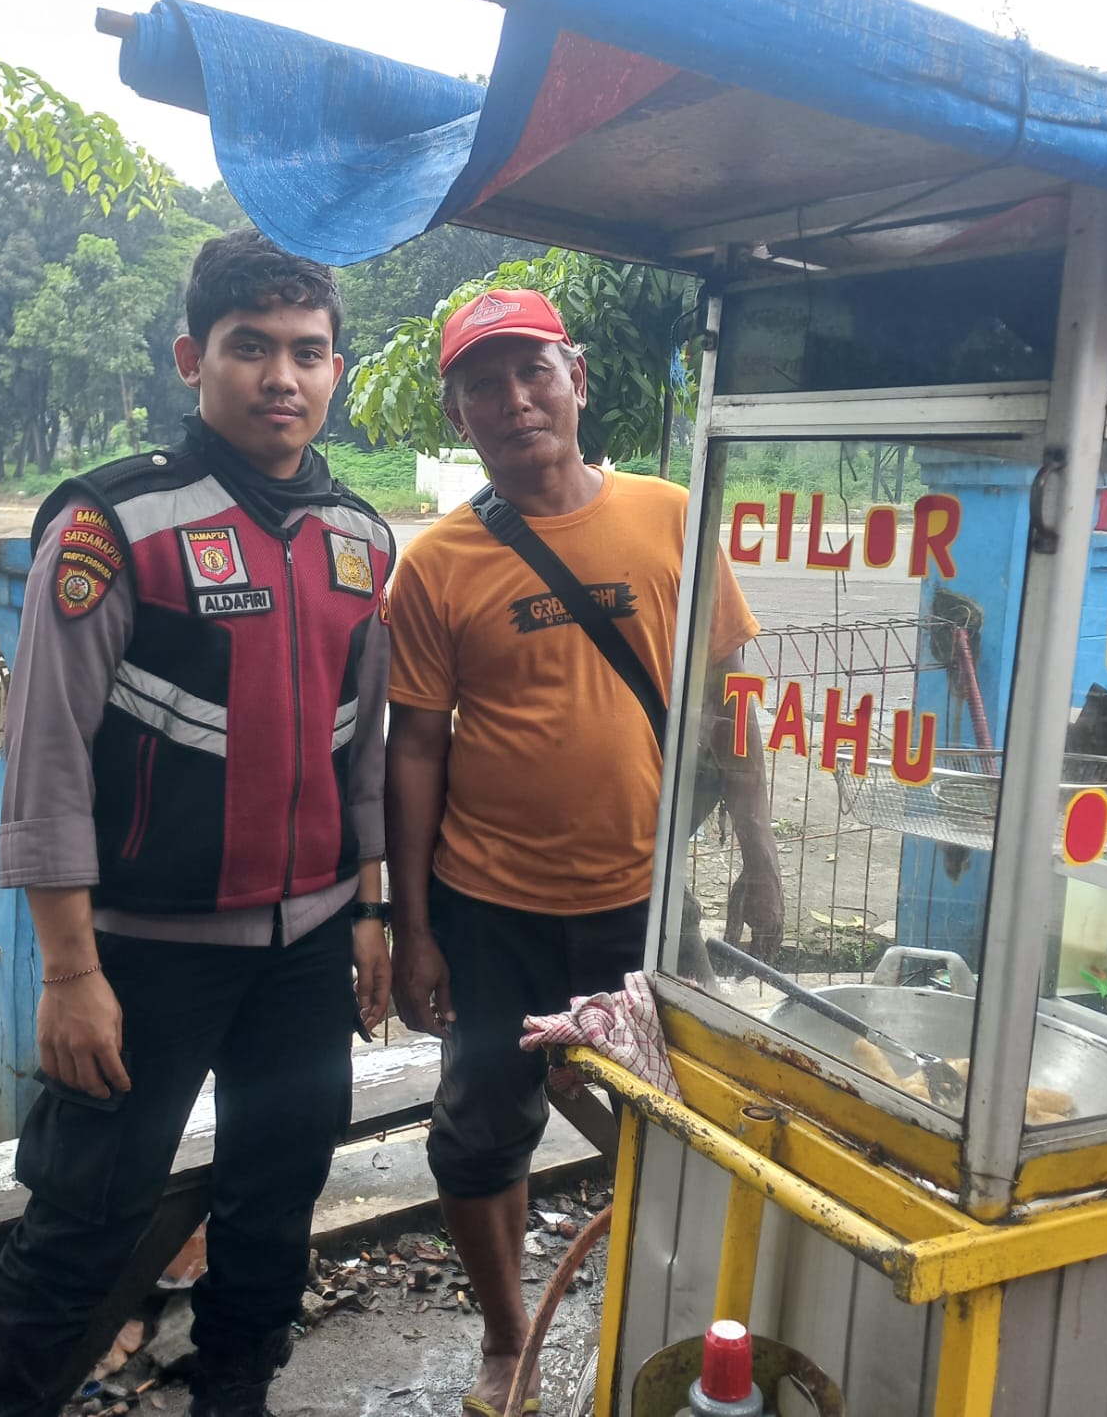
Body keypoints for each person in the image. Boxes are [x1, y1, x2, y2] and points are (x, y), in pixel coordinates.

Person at [0, 230, 395, 1417]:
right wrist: (69, 973)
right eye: (251, 347)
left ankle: (235, 1394)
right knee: (83, 1219)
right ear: (192, 358)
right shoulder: (115, 523)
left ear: (337, 368)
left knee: (278, 1197)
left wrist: (368, 913)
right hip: (143, 958)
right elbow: (47, 758)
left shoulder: (362, 539)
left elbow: (362, 750)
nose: (281, 378)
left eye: (307, 351)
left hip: (308, 949)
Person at [384, 288, 784, 1417]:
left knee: (678, 1120)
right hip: (488, 907)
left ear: (577, 380)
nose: (514, 400)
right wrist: (412, 929)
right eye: (484, 384)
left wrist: (759, 854)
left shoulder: (668, 517)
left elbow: (727, 700)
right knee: (479, 1136)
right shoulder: (438, 564)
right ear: (458, 414)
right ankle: (507, 1337)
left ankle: (679, 1312)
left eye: (534, 372)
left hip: (642, 903)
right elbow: (414, 749)